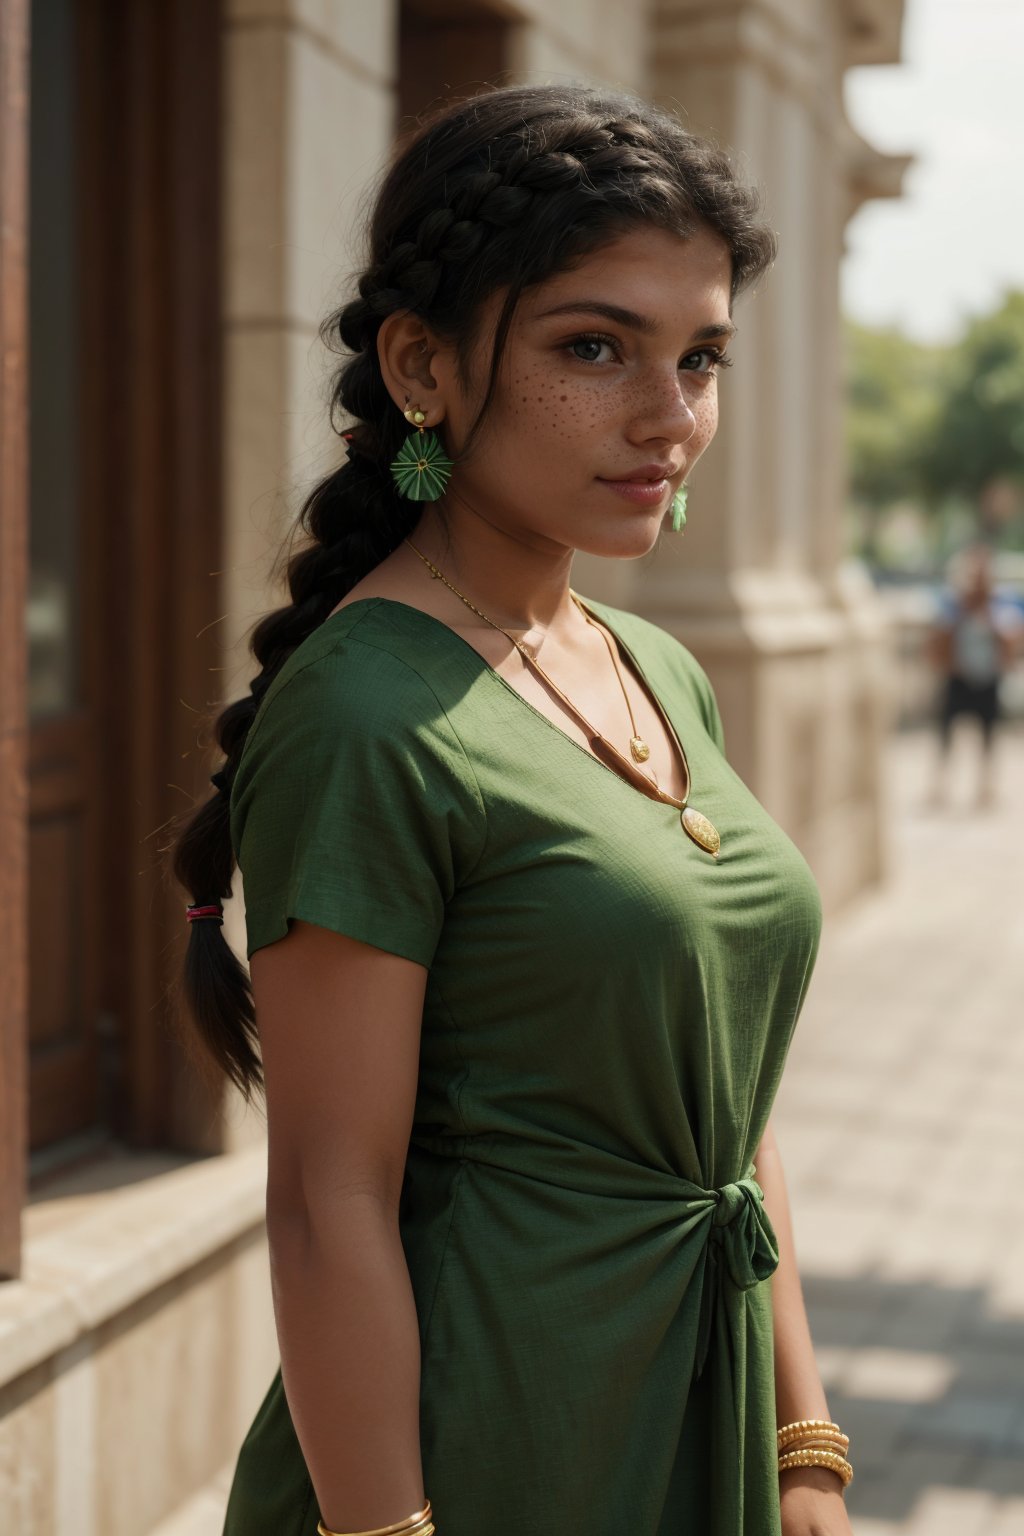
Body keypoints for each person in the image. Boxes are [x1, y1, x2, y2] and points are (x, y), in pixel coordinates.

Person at [171, 84, 854, 1536]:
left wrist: (805, 1452)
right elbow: (325, 1202)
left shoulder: (656, 668)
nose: (668, 417)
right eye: (594, 348)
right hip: (496, 1437)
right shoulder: (370, 716)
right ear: (422, 366)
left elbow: (732, 1102)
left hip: (702, 1395)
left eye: (702, 357)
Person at [926, 543, 1021, 809]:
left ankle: (985, 788)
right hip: (959, 677)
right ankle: (940, 785)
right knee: (946, 732)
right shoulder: (954, 601)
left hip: (987, 678)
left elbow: (1011, 636)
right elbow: (938, 635)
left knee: (988, 735)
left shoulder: (1001, 601)